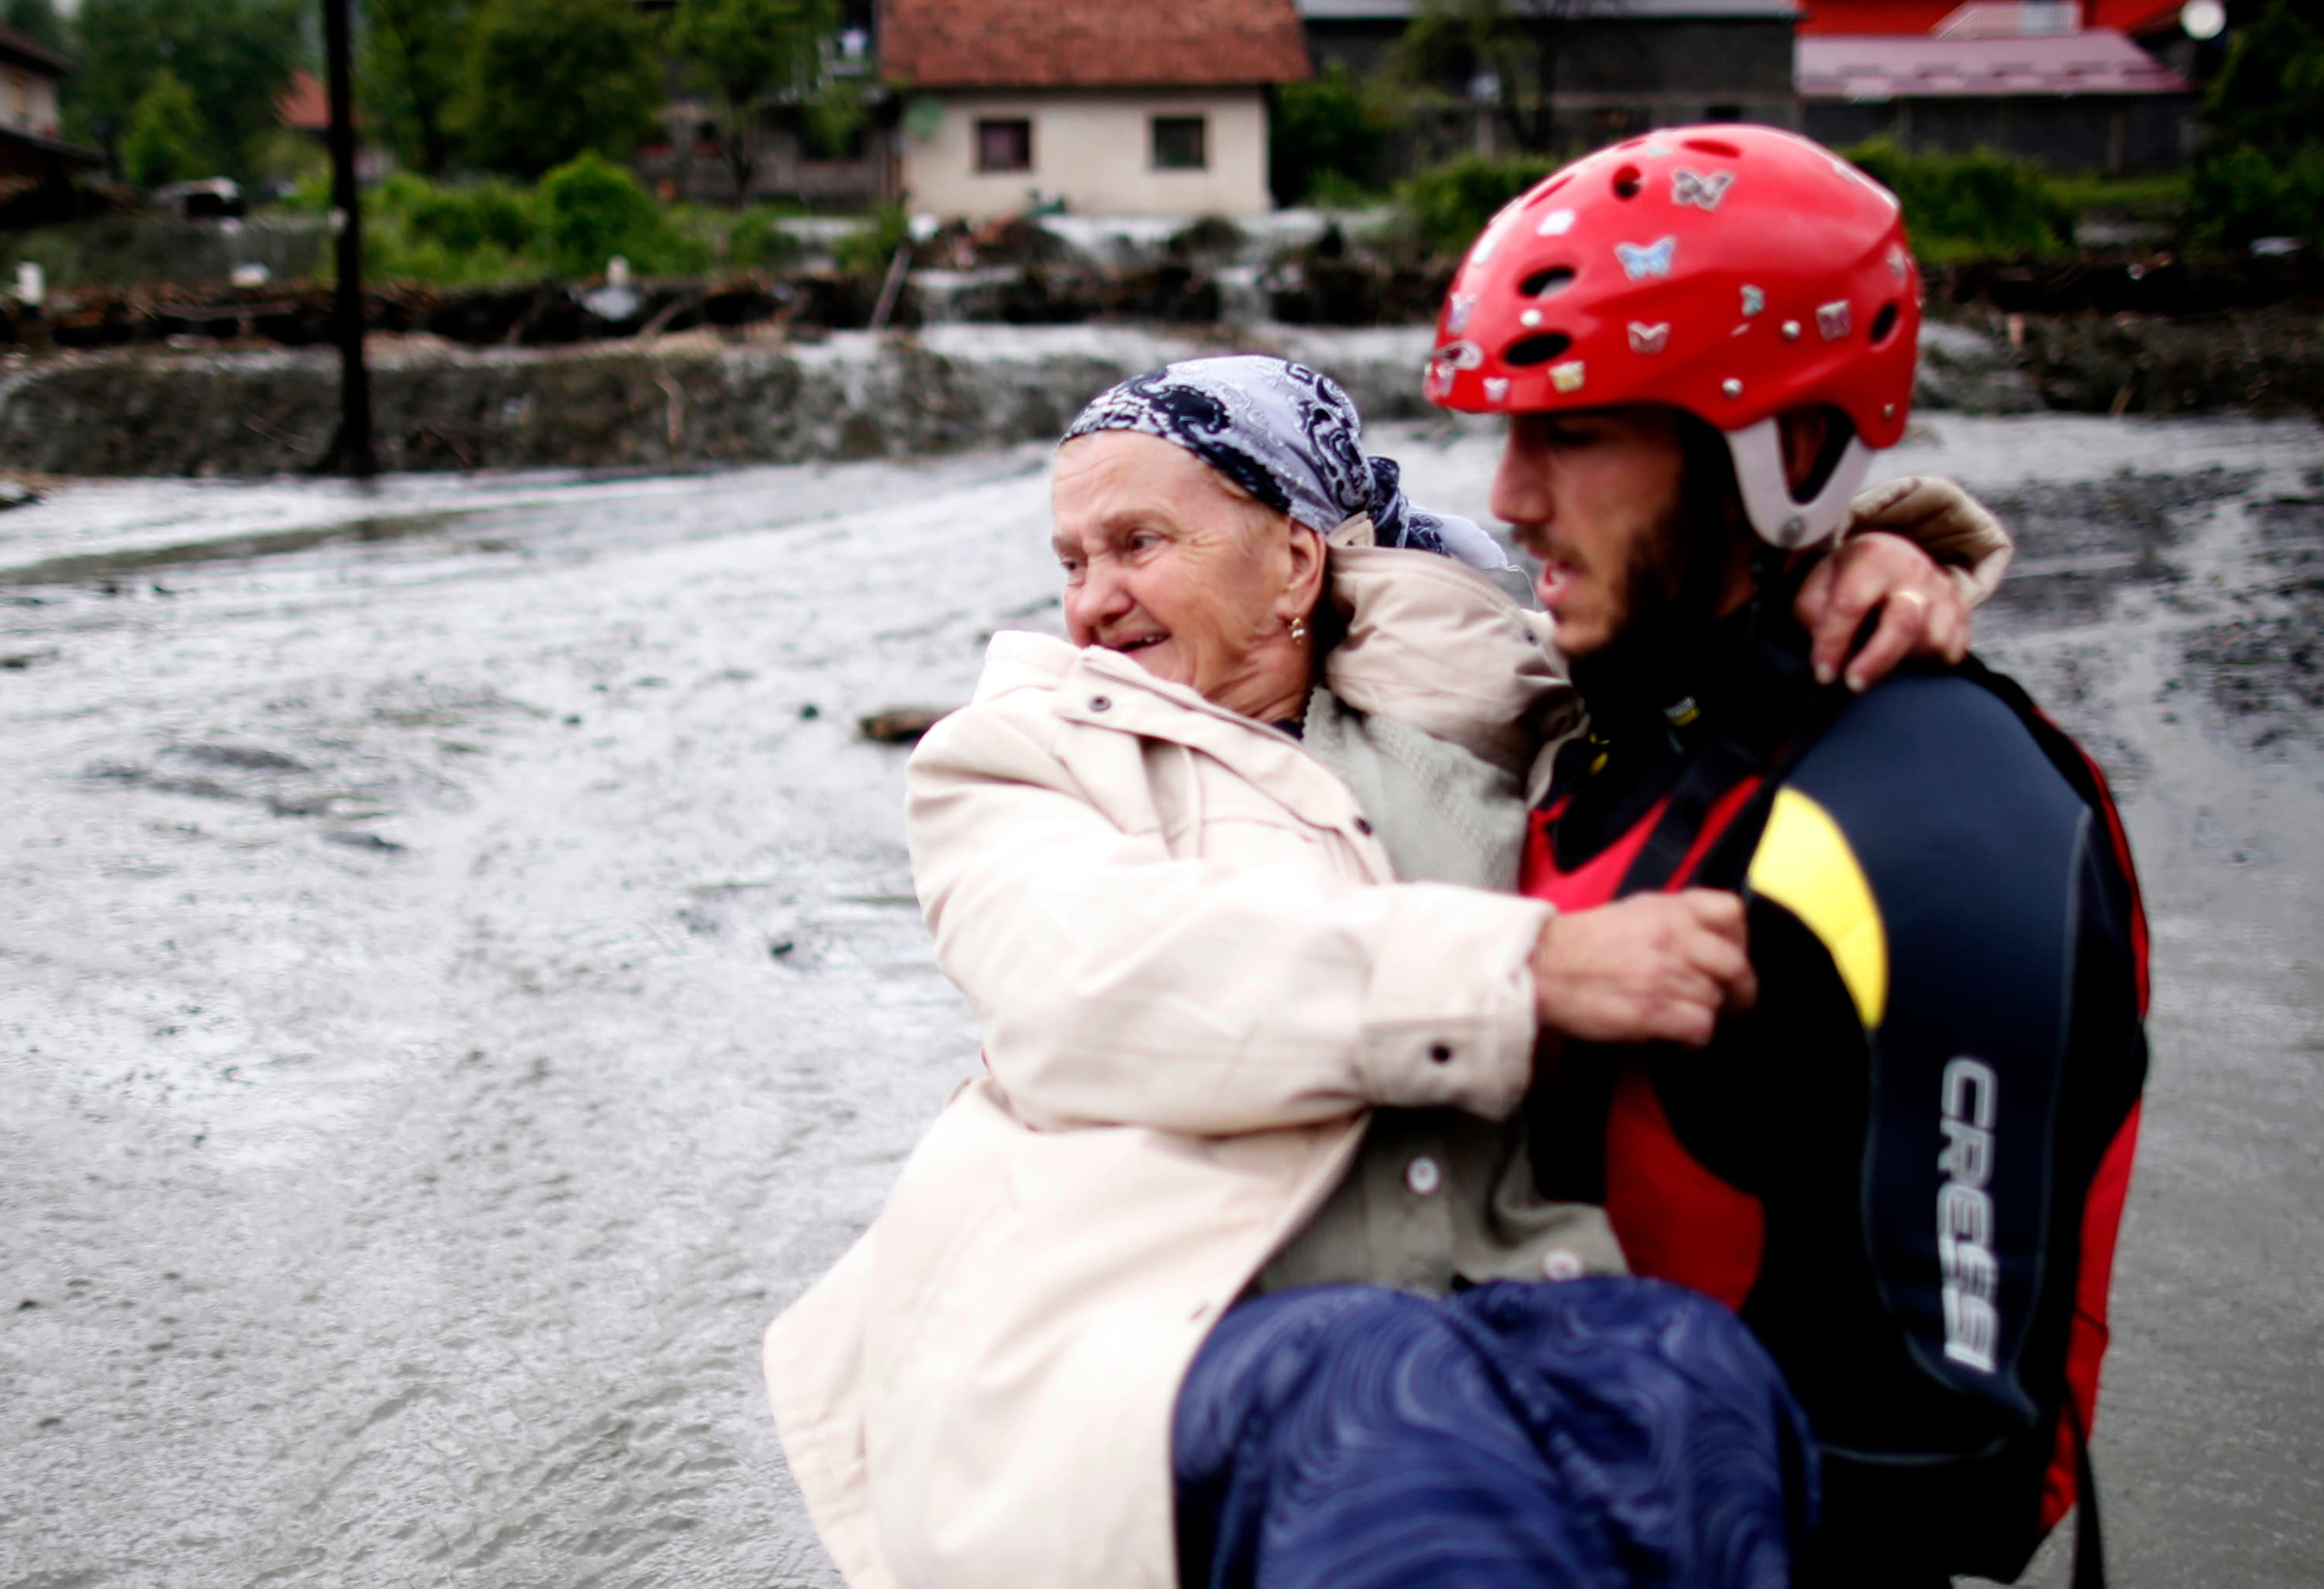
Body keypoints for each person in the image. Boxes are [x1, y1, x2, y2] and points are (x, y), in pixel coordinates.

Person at [765, 348, 2009, 1589]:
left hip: (1497, 1282)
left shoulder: (1495, 707)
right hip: (1155, 1327)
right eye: (1072, 561)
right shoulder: (1020, 757)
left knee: (1696, 1387)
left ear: (1297, 561)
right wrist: (1526, 968)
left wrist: (1863, 562)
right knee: (1386, 1414)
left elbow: (1690, 625)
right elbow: (1101, 978)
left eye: (1137, 543)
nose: (1092, 601)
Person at [1430, 125, 2150, 1587]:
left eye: (1571, 433)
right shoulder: (1607, 717)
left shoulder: (1940, 811)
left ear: (1786, 446)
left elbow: (1949, 1466)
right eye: (1506, 431)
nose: (1507, 498)